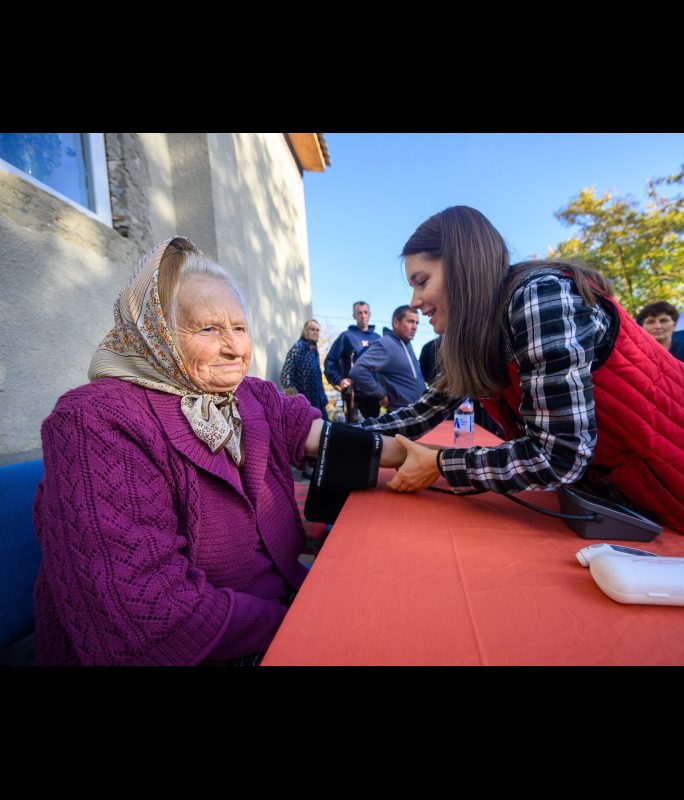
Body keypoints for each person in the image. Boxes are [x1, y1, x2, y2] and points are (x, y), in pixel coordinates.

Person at [357, 206, 684, 591]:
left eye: (421, 280)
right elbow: (420, 414)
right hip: (658, 495)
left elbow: (560, 454)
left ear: (463, 265)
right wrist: (318, 433)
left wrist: (438, 464)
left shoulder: (539, 295)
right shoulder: (476, 338)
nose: (414, 301)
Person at [32, 236, 406, 665]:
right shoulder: (96, 420)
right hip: (214, 646)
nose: (234, 347)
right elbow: (150, 616)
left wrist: (406, 452)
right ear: (155, 333)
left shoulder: (250, 396)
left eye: (240, 327)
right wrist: (303, 618)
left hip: (283, 605)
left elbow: (311, 429)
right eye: (208, 329)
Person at [349, 305, 426, 412]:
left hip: (418, 413)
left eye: (416, 323)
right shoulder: (385, 344)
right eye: (410, 321)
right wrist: (380, 394)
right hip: (402, 414)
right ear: (396, 322)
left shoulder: (407, 344)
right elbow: (358, 371)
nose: (414, 327)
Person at [324, 301, 381, 421]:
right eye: (359, 313)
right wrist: (338, 380)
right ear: (354, 316)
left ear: (370, 314)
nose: (363, 315)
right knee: (356, 432)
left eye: (365, 312)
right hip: (354, 394)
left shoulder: (377, 338)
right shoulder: (346, 337)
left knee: (376, 430)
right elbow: (330, 361)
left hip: (375, 392)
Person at [636, 301, 684, 379]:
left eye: (663, 321)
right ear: (641, 328)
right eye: (650, 322)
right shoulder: (635, 356)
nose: (657, 326)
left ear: (674, 325)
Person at [280, 319, 328, 416]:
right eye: (312, 329)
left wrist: (323, 399)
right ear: (305, 331)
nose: (315, 332)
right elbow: (285, 375)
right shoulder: (298, 347)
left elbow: (318, 378)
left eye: (317, 330)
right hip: (305, 407)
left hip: (318, 403)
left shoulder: (314, 351)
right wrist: (297, 401)